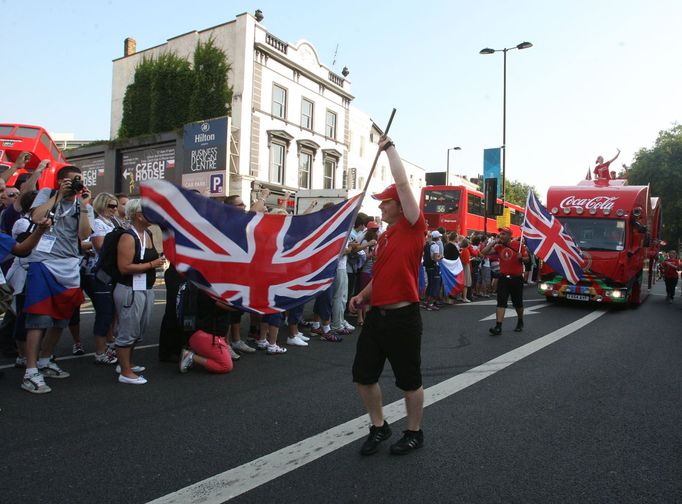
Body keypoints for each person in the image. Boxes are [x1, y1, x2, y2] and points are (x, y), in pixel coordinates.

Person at [349, 136, 427, 456]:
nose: (381, 206)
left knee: (409, 382)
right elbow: (381, 277)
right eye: (380, 202)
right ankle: (379, 426)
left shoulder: (413, 226)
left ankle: (414, 432)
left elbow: (403, 183)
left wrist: (390, 149)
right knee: (363, 376)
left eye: (385, 202)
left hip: (403, 317)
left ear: (400, 205)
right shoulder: (383, 238)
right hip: (377, 316)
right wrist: (363, 296)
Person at [21, 166, 94, 394]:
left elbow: (84, 235)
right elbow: (36, 217)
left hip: (69, 264)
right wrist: (59, 195)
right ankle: (30, 370)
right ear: (60, 181)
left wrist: (83, 206)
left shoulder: (82, 203)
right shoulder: (47, 194)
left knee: (61, 317)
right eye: (72, 181)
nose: (76, 185)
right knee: (39, 316)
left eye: (79, 181)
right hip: (43, 261)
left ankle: (45, 359)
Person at [113, 199, 165, 385]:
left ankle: (127, 364)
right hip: (130, 289)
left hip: (145, 288)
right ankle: (125, 372)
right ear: (138, 215)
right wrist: (152, 264)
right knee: (127, 331)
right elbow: (124, 267)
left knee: (137, 330)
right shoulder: (128, 236)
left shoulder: (148, 233)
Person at [84, 192, 119, 364]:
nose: (114, 209)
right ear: (101, 205)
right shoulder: (97, 223)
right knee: (104, 312)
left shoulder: (113, 222)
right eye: (110, 205)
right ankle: (99, 351)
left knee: (111, 311)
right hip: (100, 273)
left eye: (115, 206)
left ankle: (108, 344)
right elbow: (99, 245)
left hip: (112, 271)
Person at [481, 226, 529, 335]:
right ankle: (498, 327)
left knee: (518, 303)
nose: (501, 236)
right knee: (501, 302)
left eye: (503, 234)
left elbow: (527, 259)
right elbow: (483, 253)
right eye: (500, 234)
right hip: (503, 278)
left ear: (509, 236)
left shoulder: (518, 245)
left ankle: (520, 321)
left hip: (516, 279)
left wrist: (522, 258)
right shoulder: (499, 247)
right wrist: (492, 243)